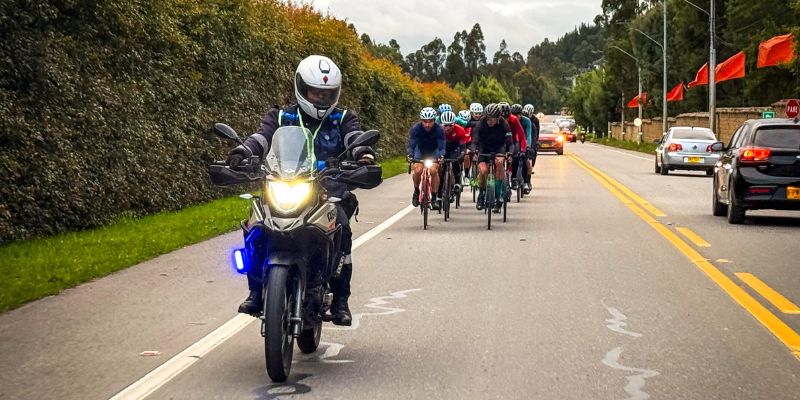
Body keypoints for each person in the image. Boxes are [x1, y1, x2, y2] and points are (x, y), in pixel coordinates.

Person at [225, 55, 376, 326]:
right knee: (254, 223)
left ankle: (341, 300)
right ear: (302, 88)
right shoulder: (281, 116)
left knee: (342, 226)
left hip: (328, 188)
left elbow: (354, 136)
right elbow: (262, 136)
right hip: (283, 183)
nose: (321, 98)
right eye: (316, 92)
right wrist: (243, 150)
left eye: (327, 94)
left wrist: (362, 153)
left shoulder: (343, 118)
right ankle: (256, 291)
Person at [470, 103, 512, 213]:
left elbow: (510, 143)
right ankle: (481, 193)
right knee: (483, 171)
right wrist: (474, 151)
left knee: (499, 163)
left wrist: (510, 153)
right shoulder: (480, 124)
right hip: (484, 148)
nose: (489, 122)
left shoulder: (504, 124)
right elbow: (474, 141)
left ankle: (498, 195)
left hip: (499, 148)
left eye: (492, 120)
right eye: (488, 119)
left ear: (498, 118)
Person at [408, 107, 445, 209]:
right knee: (417, 170)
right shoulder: (415, 129)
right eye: (425, 121)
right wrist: (410, 154)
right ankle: (416, 191)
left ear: (434, 120)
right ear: (421, 120)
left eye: (430, 121)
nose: (427, 124)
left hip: (433, 151)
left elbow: (442, 145)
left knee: (433, 170)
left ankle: (434, 198)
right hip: (420, 150)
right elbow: (412, 144)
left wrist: (441, 155)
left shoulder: (439, 129)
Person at [438, 111, 468, 199]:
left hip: (454, 148)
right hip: (442, 148)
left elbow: (463, 147)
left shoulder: (460, 130)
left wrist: (461, 155)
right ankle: (439, 196)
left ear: (454, 124)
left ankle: (457, 183)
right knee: (441, 172)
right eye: (445, 125)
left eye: (450, 125)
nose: (448, 128)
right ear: (441, 124)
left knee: (455, 161)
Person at [510, 104, 533, 194]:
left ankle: (526, 181)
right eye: (515, 114)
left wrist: (528, 146)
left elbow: (528, 135)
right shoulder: (511, 120)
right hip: (514, 141)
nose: (517, 116)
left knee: (525, 160)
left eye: (519, 114)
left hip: (523, 141)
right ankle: (513, 178)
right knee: (514, 159)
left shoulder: (526, 121)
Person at [523, 104, 540, 174]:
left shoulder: (535, 120)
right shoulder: (522, 119)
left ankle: (532, 165)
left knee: (534, 149)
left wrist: (536, 141)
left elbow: (536, 131)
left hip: (532, 135)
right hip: (524, 135)